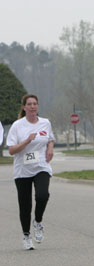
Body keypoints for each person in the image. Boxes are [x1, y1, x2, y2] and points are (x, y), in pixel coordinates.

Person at [6, 94, 55, 250]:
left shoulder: (45, 123)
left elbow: (50, 138)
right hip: (22, 170)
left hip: (41, 166)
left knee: (43, 195)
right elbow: (12, 150)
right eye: (29, 104)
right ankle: (27, 236)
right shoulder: (17, 126)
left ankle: (38, 222)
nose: (33, 106)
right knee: (25, 206)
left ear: (37, 106)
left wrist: (50, 148)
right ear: (24, 107)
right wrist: (27, 140)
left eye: (35, 104)